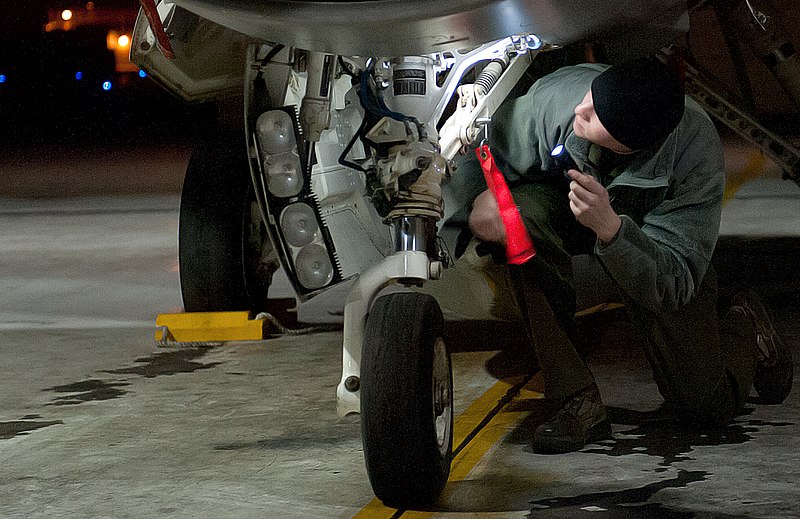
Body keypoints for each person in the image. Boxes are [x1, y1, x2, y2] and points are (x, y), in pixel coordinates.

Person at [465, 57, 793, 454]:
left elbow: (675, 281)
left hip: (655, 251)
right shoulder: (552, 104)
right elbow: (478, 154)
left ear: (629, 144)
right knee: (514, 217)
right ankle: (575, 397)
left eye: (597, 114)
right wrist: (485, 206)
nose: (580, 111)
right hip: (568, 207)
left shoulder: (693, 154)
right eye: (591, 98)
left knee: (705, 407)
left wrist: (610, 229)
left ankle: (745, 325)